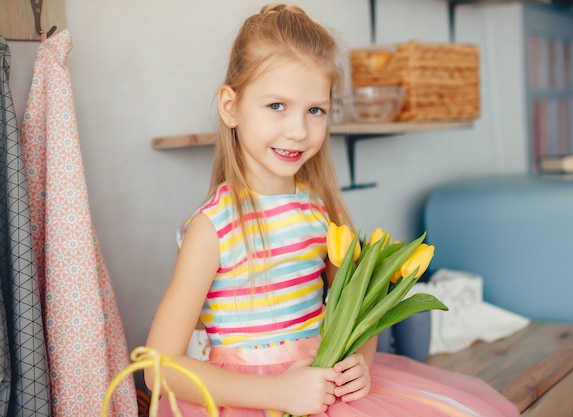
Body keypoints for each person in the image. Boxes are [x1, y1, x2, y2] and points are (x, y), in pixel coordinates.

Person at [145, 4, 521, 417]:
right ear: (231, 106)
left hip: (329, 396)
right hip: (246, 402)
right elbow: (158, 370)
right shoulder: (212, 229)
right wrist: (278, 394)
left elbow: (359, 312)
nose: (298, 130)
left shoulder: (319, 213)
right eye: (276, 106)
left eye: (315, 111)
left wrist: (361, 360)